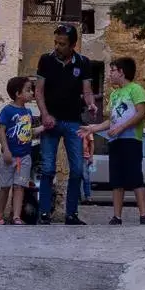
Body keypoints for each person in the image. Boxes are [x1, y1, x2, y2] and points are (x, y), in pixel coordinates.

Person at [35, 23, 97, 225]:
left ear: (73, 45)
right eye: (56, 42)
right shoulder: (46, 60)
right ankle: (44, 213)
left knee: (78, 169)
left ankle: (71, 214)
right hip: (51, 122)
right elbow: (39, 91)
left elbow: (87, 90)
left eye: (62, 44)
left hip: (73, 122)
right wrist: (44, 115)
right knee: (47, 169)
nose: (57, 47)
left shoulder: (83, 62)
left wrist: (91, 104)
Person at [80, 57, 145, 225]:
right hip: (115, 141)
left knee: (135, 178)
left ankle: (144, 215)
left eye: (112, 70)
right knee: (116, 180)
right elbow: (111, 120)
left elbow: (140, 113)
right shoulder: (114, 94)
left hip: (131, 140)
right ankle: (117, 216)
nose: (110, 74)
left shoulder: (136, 89)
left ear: (121, 72)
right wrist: (93, 128)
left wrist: (122, 128)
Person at [0, 76, 39, 225]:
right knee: (5, 186)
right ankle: (0, 215)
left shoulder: (28, 113)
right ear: (17, 93)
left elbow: (29, 132)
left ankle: (16, 216)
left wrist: (45, 127)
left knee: (20, 187)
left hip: (24, 156)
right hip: (9, 156)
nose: (31, 93)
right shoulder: (7, 111)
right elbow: (1, 130)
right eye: (28, 90)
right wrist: (6, 150)